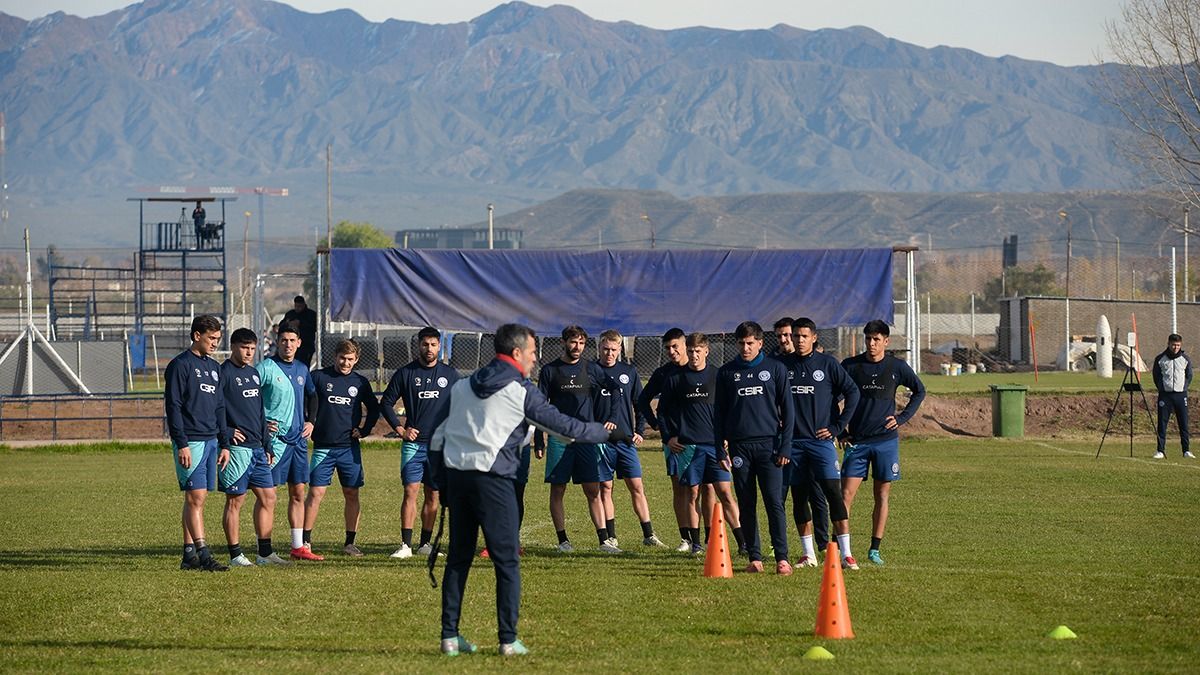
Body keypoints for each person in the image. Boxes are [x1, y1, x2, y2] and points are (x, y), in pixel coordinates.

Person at [432, 323, 618, 657]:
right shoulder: (521, 389)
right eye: (532, 352)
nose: (535, 359)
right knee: (506, 562)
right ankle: (507, 640)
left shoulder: (461, 387)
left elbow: (436, 439)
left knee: (459, 558)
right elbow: (564, 427)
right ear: (516, 353)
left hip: (458, 480)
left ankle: (449, 637)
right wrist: (604, 433)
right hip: (494, 482)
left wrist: (443, 487)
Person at [840, 319, 926, 568]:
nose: (871, 343)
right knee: (845, 495)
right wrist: (841, 430)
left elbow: (919, 390)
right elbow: (833, 397)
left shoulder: (897, 367)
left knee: (882, 494)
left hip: (885, 442)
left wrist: (901, 419)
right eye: (868, 339)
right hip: (857, 441)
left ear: (886, 342)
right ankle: (841, 548)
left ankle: (874, 549)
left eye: (876, 339)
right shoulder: (851, 366)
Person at [714, 320, 794, 574]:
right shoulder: (726, 372)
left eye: (750, 343)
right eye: (741, 343)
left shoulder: (775, 369)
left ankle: (782, 558)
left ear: (760, 343)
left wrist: (786, 447)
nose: (745, 348)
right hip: (740, 448)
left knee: (774, 502)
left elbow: (789, 412)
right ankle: (755, 558)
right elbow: (719, 414)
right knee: (746, 503)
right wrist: (719, 448)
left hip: (769, 446)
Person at [780, 318, 860, 568]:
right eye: (796, 336)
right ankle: (808, 555)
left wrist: (837, 427)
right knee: (799, 497)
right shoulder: (782, 366)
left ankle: (845, 554)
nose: (799, 340)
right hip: (793, 444)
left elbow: (853, 392)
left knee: (833, 495)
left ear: (814, 338)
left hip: (820, 442)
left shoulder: (827, 364)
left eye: (804, 336)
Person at [533, 326, 620, 553]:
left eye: (581, 343)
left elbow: (615, 389)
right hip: (559, 439)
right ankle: (563, 541)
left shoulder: (590, 368)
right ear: (564, 342)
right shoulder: (550, 371)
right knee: (558, 489)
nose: (577, 347)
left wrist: (611, 416)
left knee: (593, 490)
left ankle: (604, 541)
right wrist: (539, 440)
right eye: (573, 342)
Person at [659, 332, 746, 555]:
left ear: (706, 351)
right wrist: (669, 436)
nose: (694, 355)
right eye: (690, 351)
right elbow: (663, 412)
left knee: (725, 493)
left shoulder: (720, 376)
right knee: (692, 493)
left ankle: (743, 543)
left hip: (715, 446)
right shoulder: (675, 379)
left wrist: (727, 436)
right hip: (688, 447)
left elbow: (730, 409)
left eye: (698, 351)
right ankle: (696, 544)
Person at [380, 327, 460, 558]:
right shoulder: (406, 373)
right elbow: (386, 403)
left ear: (440, 346)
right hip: (413, 446)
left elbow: (463, 403)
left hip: (439, 447)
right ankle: (405, 545)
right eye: (425, 344)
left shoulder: (451, 375)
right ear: (419, 346)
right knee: (410, 491)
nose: (429, 349)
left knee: (433, 494)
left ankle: (425, 544)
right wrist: (400, 429)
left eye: (434, 344)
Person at [218, 328, 290, 567]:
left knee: (269, 497)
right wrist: (226, 433)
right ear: (233, 346)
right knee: (235, 501)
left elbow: (260, 412)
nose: (248, 352)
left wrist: (267, 443)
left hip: (258, 448)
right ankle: (236, 554)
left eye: (252, 348)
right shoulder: (223, 373)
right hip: (238, 450)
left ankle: (265, 553)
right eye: (244, 347)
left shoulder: (253, 374)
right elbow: (212, 410)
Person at [164, 315, 230, 572]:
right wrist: (181, 443)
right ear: (196, 336)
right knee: (196, 497)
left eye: (217, 338)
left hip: (211, 440)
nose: (215, 343)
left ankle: (188, 555)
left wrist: (224, 443)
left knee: (195, 499)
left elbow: (220, 407)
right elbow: (174, 406)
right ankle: (204, 556)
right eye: (211, 338)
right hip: (190, 440)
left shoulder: (214, 368)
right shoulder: (180, 365)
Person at [304, 338, 381, 557]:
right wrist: (307, 421)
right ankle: (306, 542)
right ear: (335, 357)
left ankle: (349, 543)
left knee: (351, 493)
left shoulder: (360, 383)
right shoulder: (318, 377)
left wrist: (364, 430)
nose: (345, 363)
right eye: (342, 358)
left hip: (349, 448)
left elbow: (374, 409)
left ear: (356, 360)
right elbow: (304, 399)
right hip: (323, 448)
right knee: (316, 493)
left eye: (350, 359)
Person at [594, 329, 665, 548]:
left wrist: (639, 430)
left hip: (625, 441)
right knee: (605, 488)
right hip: (601, 443)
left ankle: (649, 535)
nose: (609, 353)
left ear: (620, 350)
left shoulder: (629, 372)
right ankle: (611, 536)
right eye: (605, 349)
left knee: (636, 486)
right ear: (599, 348)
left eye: (614, 349)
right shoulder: (591, 372)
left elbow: (640, 403)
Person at [257, 325, 318, 561]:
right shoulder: (266, 367)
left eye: (292, 340)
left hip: (298, 443)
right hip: (275, 442)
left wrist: (311, 422)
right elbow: (251, 397)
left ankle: (297, 546)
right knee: (267, 494)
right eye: (284, 340)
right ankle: (265, 549)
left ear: (299, 343)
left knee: (298, 493)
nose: (288, 344)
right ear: (277, 341)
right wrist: (261, 423)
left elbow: (313, 395)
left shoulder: (303, 368)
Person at [637, 327, 701, 552]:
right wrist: (660, 430)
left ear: (685, 346)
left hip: (701, 440)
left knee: (702, 491)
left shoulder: (698, 370)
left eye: (676, 346)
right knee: (681, 490)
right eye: (668, 348)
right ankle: (686, 539)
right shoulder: (663, 374)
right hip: (674, 443)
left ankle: (707, 539)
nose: (672, 351)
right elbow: (642, 400)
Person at [773, 316, 830, 556]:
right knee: (783, 495)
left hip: (814, 441)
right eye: (782, 336)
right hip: (787, 443)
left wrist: (835, 425)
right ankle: (782, 546)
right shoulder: (776, 365)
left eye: (790, 335)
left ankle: (824, 544)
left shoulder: (820, 363)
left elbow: (831, 393)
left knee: (818, 494)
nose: (788, 340)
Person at [1152, 333, 1195, 459]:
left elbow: (1189, 375)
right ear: (1168, 344)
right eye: (1173, 345)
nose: (1175, 347)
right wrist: (1162, 387)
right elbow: (1156, 376)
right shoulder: (1160, 359)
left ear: (1180, 345)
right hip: (1165, 396)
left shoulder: (1185, 359)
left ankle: (1186, 450)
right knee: (1162, 423)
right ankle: (1160, 450)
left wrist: (1184, 387)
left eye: (1178, 345)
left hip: (1181, 396)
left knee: (1184, 424)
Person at [283, 296, 319, 368]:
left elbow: (315, 327)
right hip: (292, 345)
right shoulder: (291, 314)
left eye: (299, 306)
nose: (297, 308)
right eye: (296, 306)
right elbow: (282, 325)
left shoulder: (310, 315)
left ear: (303, 305)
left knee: (304, 365)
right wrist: (288, 324)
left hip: (306, 345)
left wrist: (301, 323)